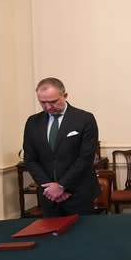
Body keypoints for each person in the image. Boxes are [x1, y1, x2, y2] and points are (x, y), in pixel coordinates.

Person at [23, 77, 100, 217]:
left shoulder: (85, 119)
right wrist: (50, 187)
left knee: (82, 237)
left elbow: (85, 158)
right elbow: (30, 159)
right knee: (52, 237)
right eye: (42, 102)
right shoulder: (32, 122)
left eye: (52, 101)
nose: (47, 107)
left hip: (78, 194)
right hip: (49, 196)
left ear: (65, 96)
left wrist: (62, 186)